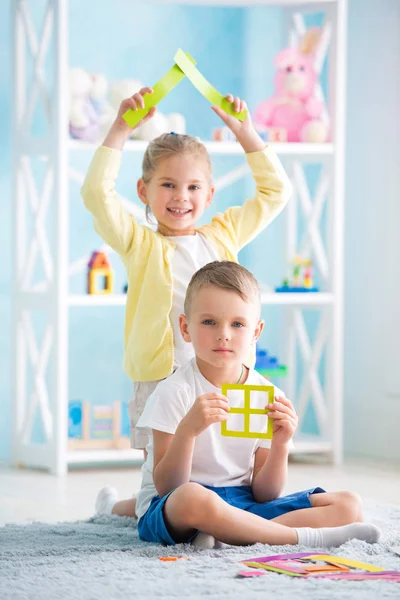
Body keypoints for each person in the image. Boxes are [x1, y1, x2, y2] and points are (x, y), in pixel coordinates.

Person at [82, 86, 292, 518]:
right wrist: (122, 127)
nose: (181, 196)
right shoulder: (140, 243)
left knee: (223, 474)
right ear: (143, 190)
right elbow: (97, 196)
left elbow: (275, 193)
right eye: (168, 185)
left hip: (225, 374)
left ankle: (197, 514)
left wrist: (245, 132)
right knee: (162, 485)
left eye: (193, 186)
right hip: (164, 378)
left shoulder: (223, 234)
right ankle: (121, 510)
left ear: (210, 194)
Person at [98, 261, 380, 548]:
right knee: (192, 497)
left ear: (256, 332)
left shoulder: (267, 395)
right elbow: (168, 487)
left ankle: (227, 533)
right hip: (178, 503)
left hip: (242, 502)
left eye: (237, 323)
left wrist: (281, 445)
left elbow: (265, 495)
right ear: (185, 328)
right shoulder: (175, 391)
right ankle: (301, 537)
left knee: (349, 505)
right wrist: (187, 432)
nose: (224, 334)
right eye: (209, 322)